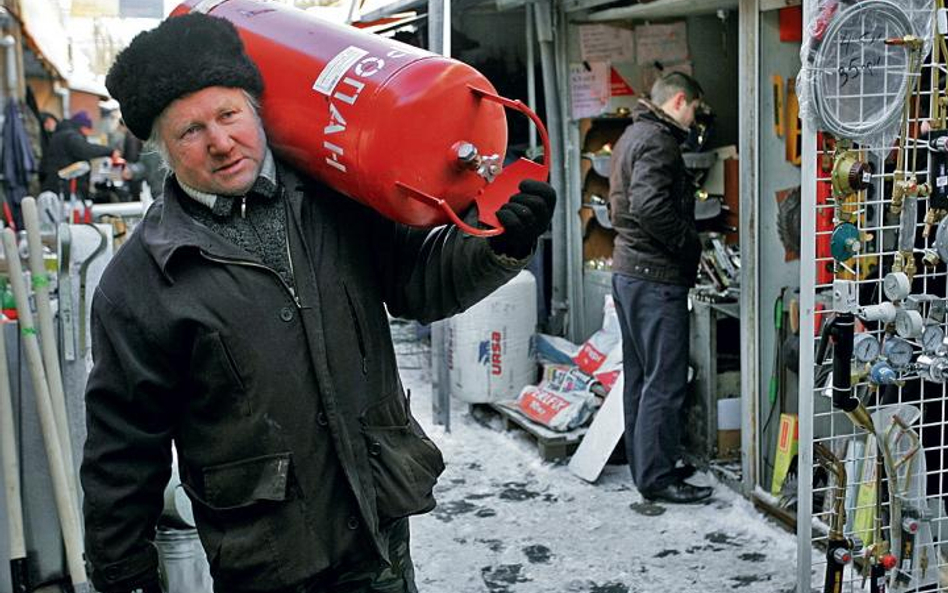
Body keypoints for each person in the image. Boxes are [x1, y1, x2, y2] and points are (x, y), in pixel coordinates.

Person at [81, 12, 555, 593]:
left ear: (257, 110)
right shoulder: (142, 282)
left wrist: (501, 242)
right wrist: (123, 575)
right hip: (270, 563)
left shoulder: (339, 201)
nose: (221, 142)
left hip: (378, 539)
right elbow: (122, 451)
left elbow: (422, 283)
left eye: (230, 115)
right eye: (191, 131)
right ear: (163, 152)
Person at [608, 72, 712, 505]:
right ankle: (657, 477)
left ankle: (648, 463)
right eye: (694, 109)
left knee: (641, 377)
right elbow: (649, 206)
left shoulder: (635, 133)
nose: (695, 118)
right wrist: (690, 244)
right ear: (680, 101)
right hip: (654, 277)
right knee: (664, 380)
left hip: (631, 271)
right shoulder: (658, 140)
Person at [38, 110, 120, 198]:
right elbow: (86, 150)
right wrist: (110, 151)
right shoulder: (71, 136)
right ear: (83, 127)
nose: (88, 134)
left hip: (56, 185)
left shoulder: (60, 135)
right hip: (65, 187)